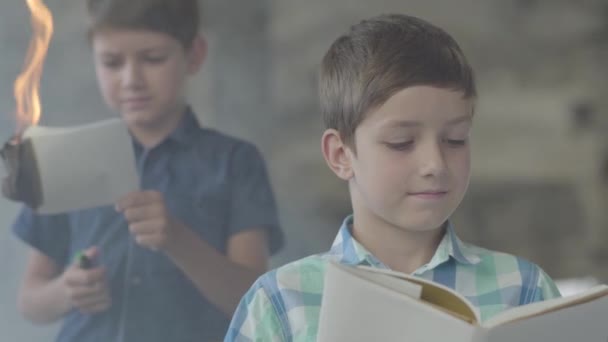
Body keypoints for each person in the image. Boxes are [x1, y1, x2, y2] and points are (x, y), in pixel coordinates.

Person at [225, 13, 561, 341]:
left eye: (455, 139)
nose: (435, 164)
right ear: (341, 155)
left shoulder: (525, 290)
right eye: (401, 143)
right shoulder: (281, 302)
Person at [12, 0, 283, 341]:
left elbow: (255, 301)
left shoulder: (235, 162)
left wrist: (177, 239)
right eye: (111, 62)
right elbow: (30, 300)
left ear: (195, 54)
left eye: (153, 59)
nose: (131, 80)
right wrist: (67, 290)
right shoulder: (64, 157)